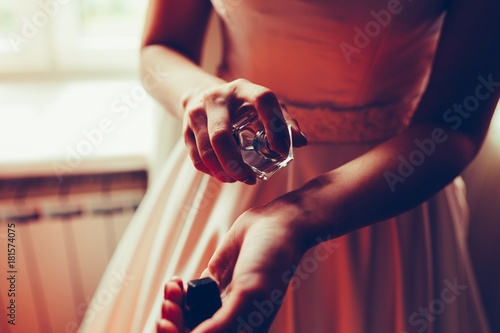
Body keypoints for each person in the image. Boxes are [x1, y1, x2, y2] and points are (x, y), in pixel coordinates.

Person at [79, 0, 500, 332]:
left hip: (384, 195)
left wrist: (294, 218)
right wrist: (202, 96)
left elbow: (453, 127)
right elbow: (161, 46)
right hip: (227, 178)